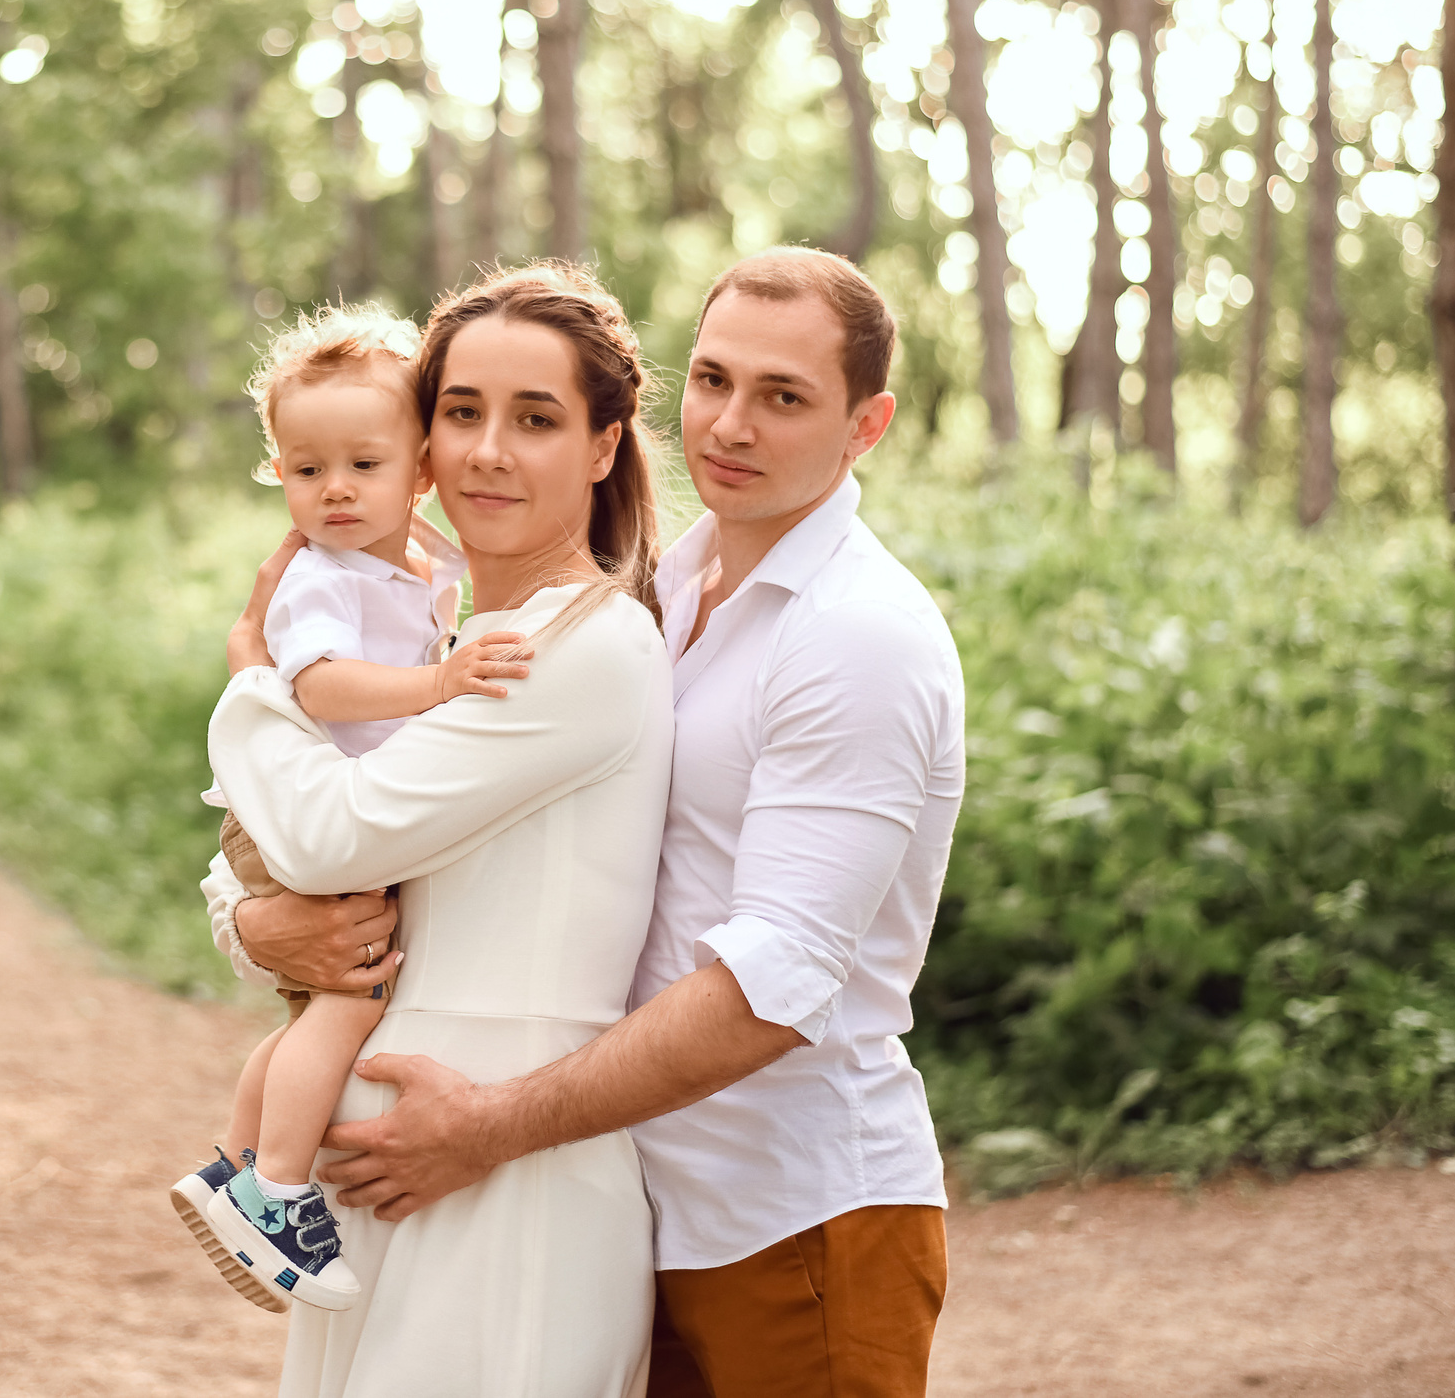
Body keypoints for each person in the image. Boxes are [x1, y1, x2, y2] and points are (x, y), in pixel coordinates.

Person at [230, 249, 966, 1398]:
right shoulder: (667, 597)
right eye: (712, 380)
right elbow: (412, 859)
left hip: (781, 1199)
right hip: (626, 1176)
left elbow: (776, 980)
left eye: (782, 396)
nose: (730, 424)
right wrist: (253, 927)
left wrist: (251, 679)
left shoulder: (847, 634)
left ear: (864, 425)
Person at [200, 264, 674, 1397]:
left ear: (603, 447)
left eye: (536, 419)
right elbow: (303, 864)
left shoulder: (576, 647)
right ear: (423, 442)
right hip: (391, 1159)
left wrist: (254, 679)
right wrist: (249, 924)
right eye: (461, 412)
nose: (487, 452)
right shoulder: (455, 642)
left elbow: (332, 836)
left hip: (505, 1163)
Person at [171, 304, 530, 1313]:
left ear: (418, 471)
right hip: (292, 812)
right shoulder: (321, 579)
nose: (334, 489)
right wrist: (440, 682)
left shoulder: (405, 558)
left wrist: (433, 524)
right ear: (277, 473)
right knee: (350, 1000)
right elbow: (322, 685)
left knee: (313, 1008)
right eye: (306, 468)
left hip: (325, 810)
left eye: (364, 465)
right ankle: (276, 1191)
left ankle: (233, 1164)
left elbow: (445, 565)